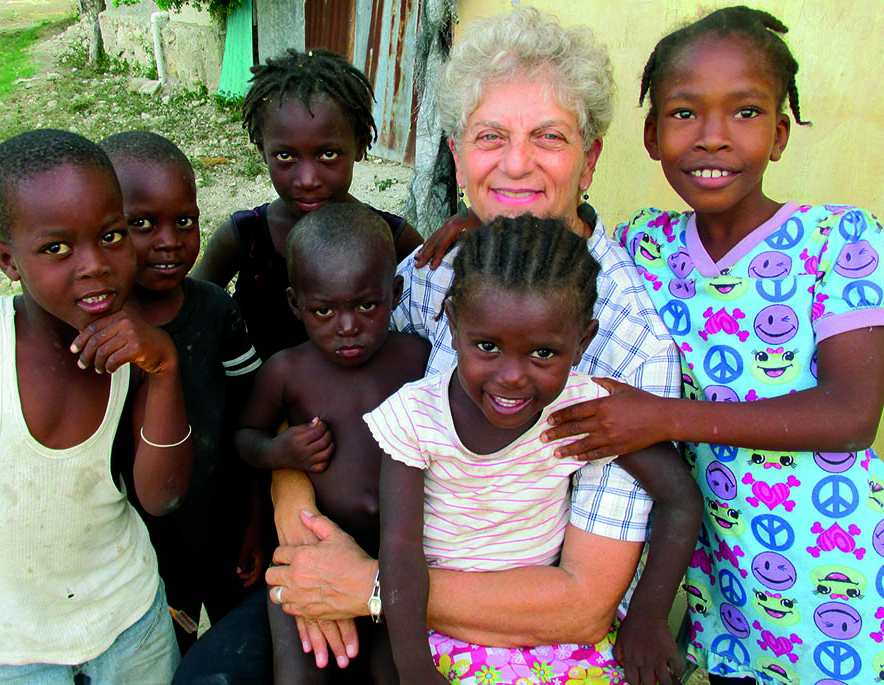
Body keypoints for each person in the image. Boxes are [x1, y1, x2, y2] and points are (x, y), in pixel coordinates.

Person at [267, 9, 690, 685]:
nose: (516, 162)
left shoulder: (626, 341)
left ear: (591, 158)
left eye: (549, 137)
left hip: (515, 646)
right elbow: (311, 393)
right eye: (490, 137)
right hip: (376, 586)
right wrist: (296, 513)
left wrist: (368, 587)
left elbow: (582, 604)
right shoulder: (431, 271)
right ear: (460, 156)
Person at [541, 6, 884, 683]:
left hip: (827, 571)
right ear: (650, 134)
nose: (714, 138)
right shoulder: (645, 244)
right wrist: (472, 220)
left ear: (781, 134)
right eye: (685, 113)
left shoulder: (838, 241)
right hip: (713, 577)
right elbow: (562, 239)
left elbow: (852, 411)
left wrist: (662, 418)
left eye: (747, 113)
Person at [0, 129, 192, 682]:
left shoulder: (137, 351)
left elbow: (162, 496)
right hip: (7, 646)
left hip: (130, 624)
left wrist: (167, 370)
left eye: (111, 235)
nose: (94, 265)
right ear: (8, 260)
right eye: (57, 248)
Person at [376, 215, 701, 684]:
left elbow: (680, 498)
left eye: (543, 354)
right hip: (428, 628)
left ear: (583, 341)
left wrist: (649, 617)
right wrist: (415, 671)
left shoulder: (581, 412)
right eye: (487, 346)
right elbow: (400, 549)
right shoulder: (416, 417)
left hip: (544, 634)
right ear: (452, 325)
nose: (511, 377)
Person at [234, 203, 431, 683]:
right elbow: (245, 438)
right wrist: (281, 452)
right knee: (300, 672)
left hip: (398, 556)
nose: (347, 327)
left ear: (395, 293)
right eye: (324, 310)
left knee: (394, 670)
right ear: (295, 304)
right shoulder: (287, 372)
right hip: (312, 552)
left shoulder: (417, 359)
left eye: (367, 305)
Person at [100, 130, 267, 654]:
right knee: (169, 661)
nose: (170, 240)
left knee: (236, 656)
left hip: (227, 541)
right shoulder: (98, 333)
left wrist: (258, 517)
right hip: (140, 563)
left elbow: (254, 418)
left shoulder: (217, 311)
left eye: (185, 221)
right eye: (141, 224)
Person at [190, 48, 423, 362]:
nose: (308, 179)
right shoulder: (244, 238)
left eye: (328, 154)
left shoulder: (394, 239)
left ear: (360, 144)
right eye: (286, 156)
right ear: (262, 149)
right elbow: (186, 310)